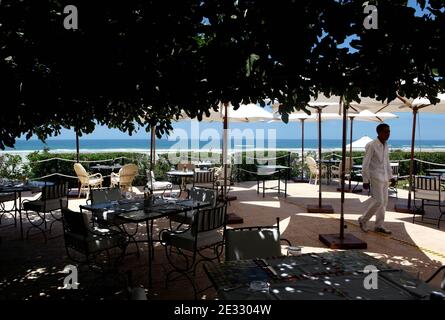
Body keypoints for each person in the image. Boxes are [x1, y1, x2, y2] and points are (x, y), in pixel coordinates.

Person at [358, 123, 396, 235]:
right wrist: (365, 180)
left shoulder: (386, 145)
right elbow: (365, 163)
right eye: (385, 131)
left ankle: (379, 225)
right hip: (375, 177)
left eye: (389, 131)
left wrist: (391, 177)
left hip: (384, 178)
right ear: (379, 132)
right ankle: (363, 220)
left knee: (384, 202)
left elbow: (387, 163)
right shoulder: (372, 145)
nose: (388, 134)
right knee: (378, 201)